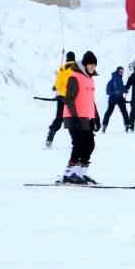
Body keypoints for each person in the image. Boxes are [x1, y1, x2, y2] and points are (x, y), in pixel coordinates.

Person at [60, 51, 100, 184]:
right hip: (73, 116)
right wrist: (75, 117)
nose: (92, 67)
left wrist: (96, 117)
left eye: (94, 65)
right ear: (85, 64)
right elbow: (69, 99)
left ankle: (80, 173)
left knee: (89, 144)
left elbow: (91, 100)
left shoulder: (90, 79)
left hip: (86, 117)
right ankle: (68, 174)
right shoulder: (74, 77)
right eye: (90, 64)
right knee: (78, 144)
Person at [45, 51, 75, 148]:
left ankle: (50, 136)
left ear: (66, 58)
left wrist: (55, 87)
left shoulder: (62, 68)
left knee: (59, 117)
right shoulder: (76, 69)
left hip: (61, 97)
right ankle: (77, 141)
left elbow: (58, 83)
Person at [104, 66, 132, 132]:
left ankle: (127, 124)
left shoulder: (118, 79)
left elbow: (121, 88)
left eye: (122, 71)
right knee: (111, 112)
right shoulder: (114, 79)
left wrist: (124, 90)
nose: (121, 73)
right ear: (117, 71)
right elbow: (108, 91)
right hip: (114, 98)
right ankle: (105, 125)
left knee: (122, 111)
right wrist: (115, 92)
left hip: (118, 98)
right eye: (120, 71)